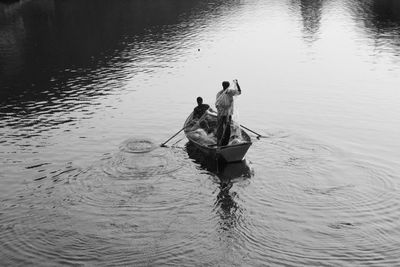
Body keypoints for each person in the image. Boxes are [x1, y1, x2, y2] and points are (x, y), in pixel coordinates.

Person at [215, 79, 241, 146]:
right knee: (220, 128)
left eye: (227, 86)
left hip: (228, 114)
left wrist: (237, 83)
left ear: (228, 86)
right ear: (223, 86)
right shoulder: (219, 94)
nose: (226, 87)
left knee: (227, 128)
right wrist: (221, 108)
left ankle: (226, 143)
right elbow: (217, 104)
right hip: (221, 114)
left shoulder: (230, 92)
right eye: (225, 86)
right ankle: (219, 142)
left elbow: (239, 92)